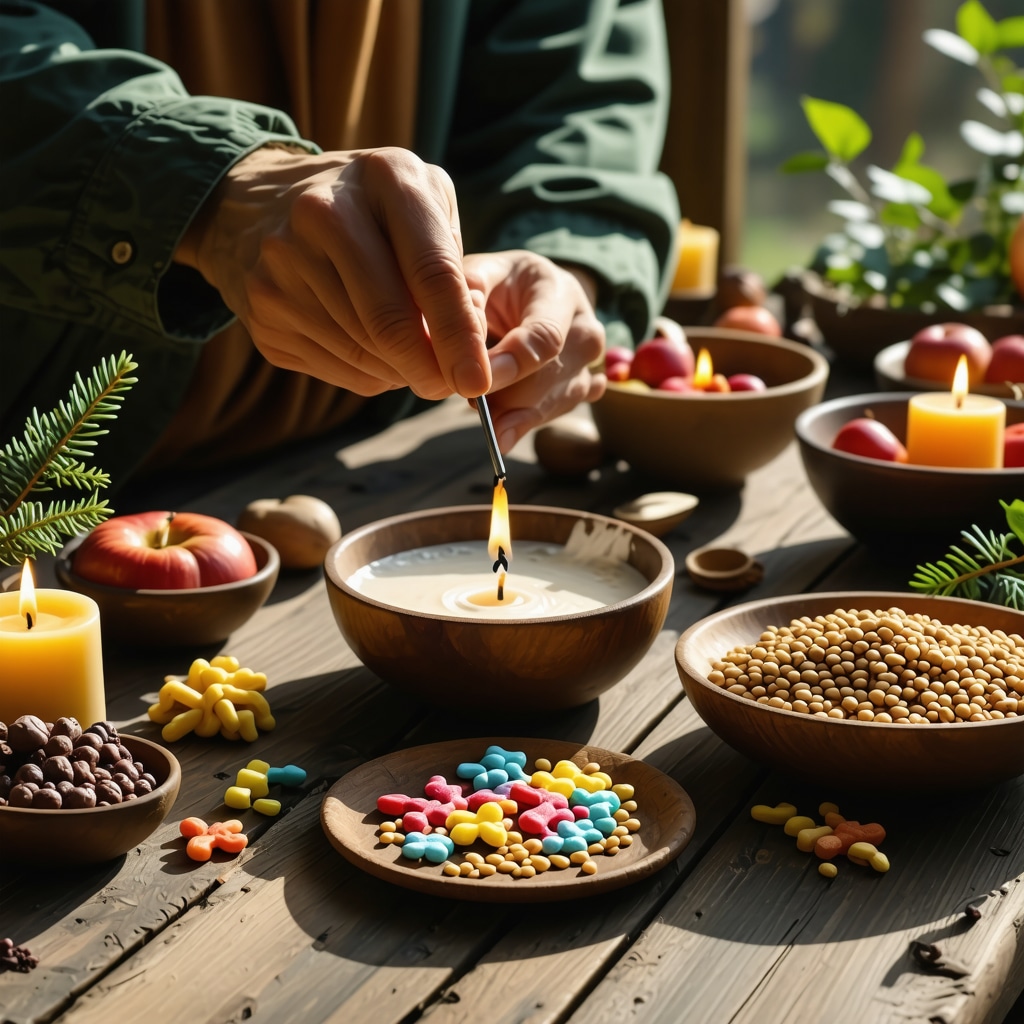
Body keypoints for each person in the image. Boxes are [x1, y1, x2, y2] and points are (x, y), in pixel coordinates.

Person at [0, 0, 680, 489]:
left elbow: (578, 85)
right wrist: (208, 190)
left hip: (377, 458)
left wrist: (567, 262)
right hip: (43, 498)